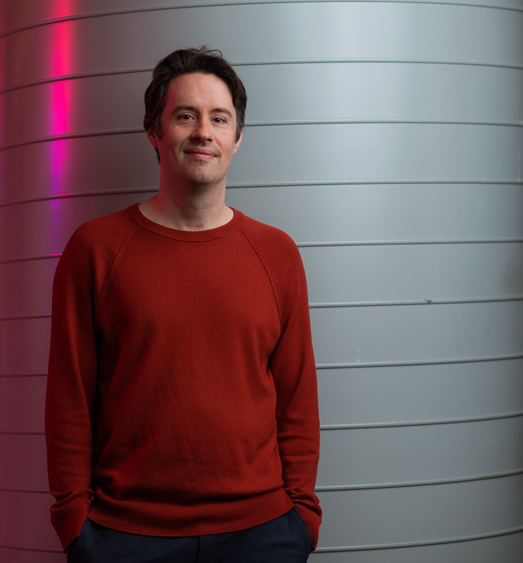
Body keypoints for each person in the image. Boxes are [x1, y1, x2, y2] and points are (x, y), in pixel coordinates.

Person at [45, 46, 321, 563]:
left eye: (219, 119)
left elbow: (297, 399)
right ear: (155, 131)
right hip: (125, 535)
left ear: (237, 138)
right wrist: (75, 524)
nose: (203, 132)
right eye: (185, 116)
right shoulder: (96, 250)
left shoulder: (276, 253)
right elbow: (69, 401)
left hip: (262, 534)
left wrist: (300, 517)